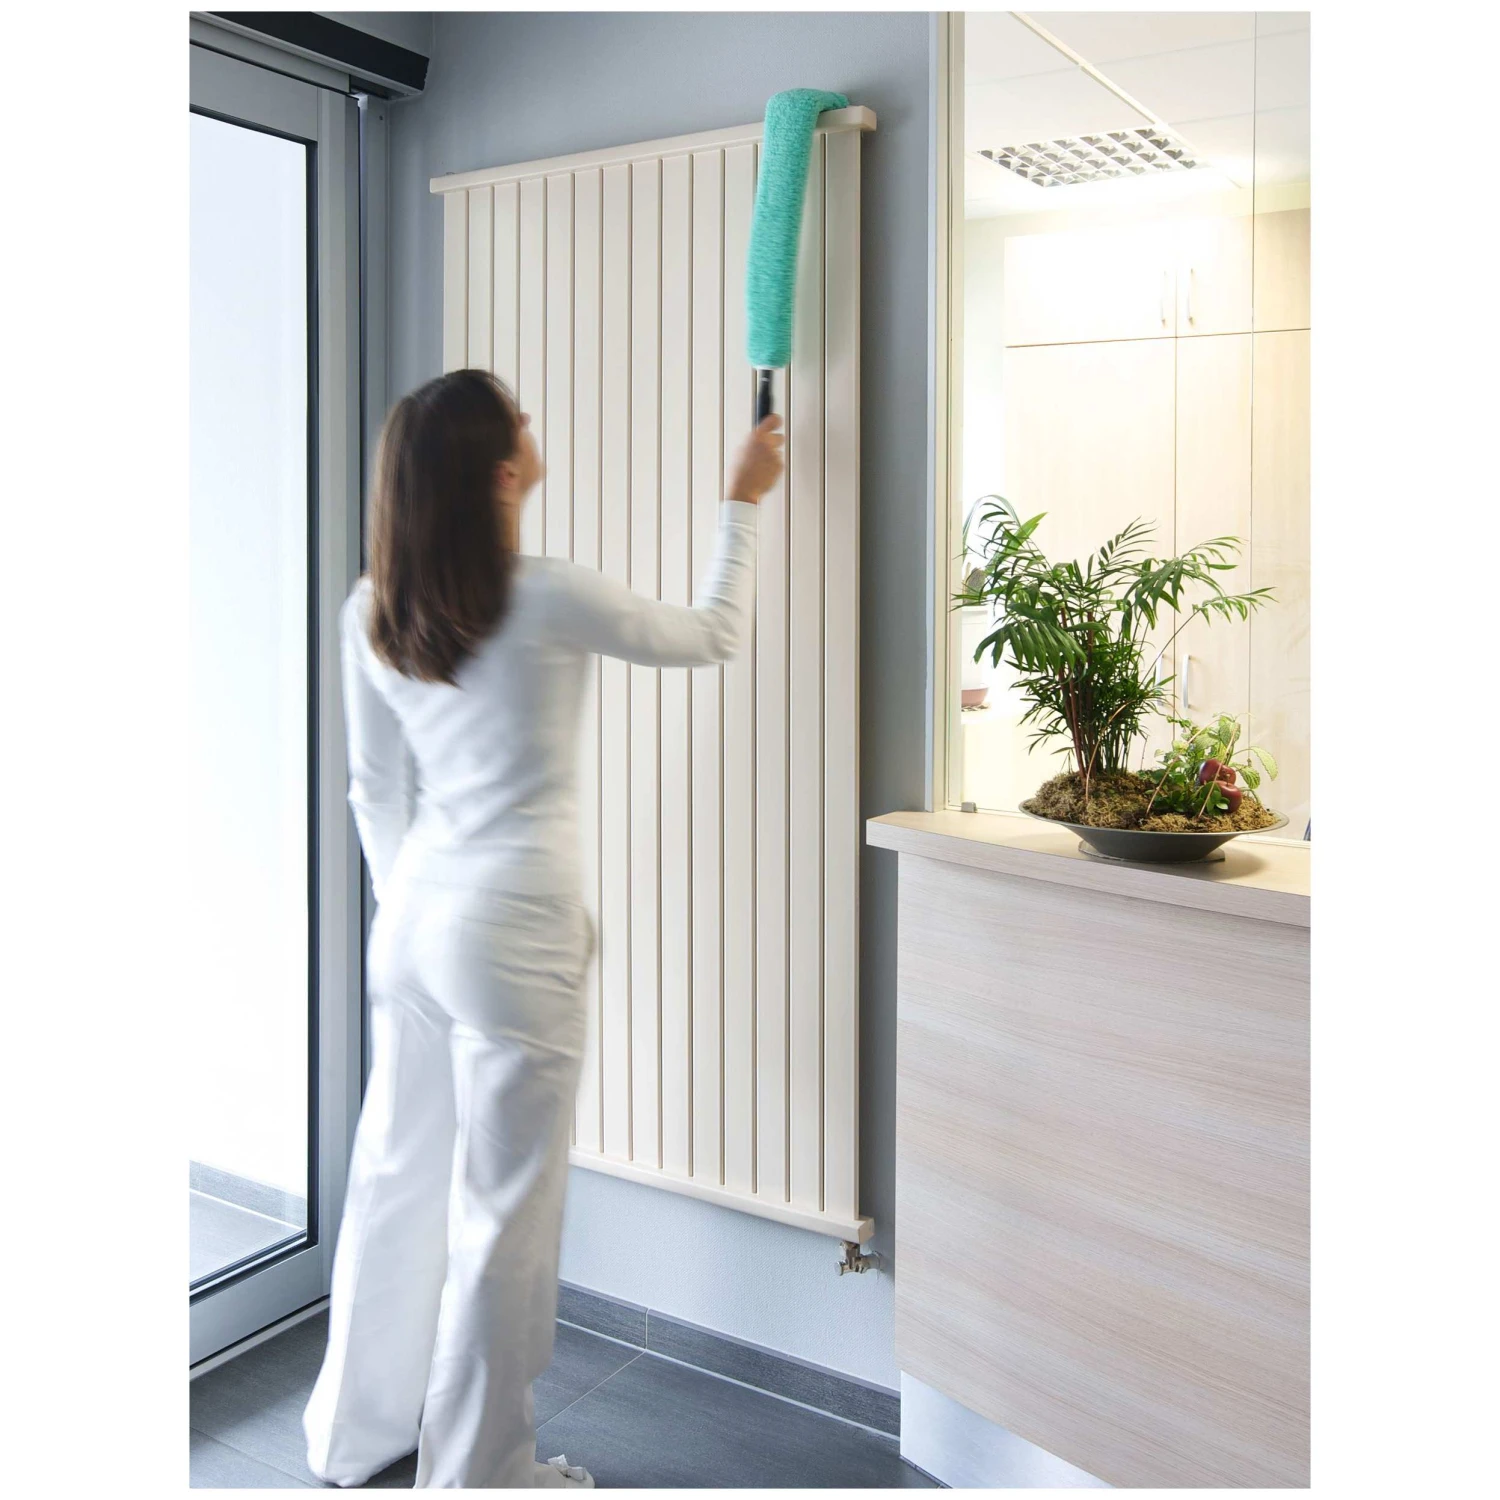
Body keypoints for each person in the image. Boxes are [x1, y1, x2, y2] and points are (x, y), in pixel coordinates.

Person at [302, 368, 783, 1488]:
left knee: (393, 1180)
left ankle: (353, 1436)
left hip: (410, 926)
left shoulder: (370, 609)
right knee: (501, 1216)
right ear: (499, 472)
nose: (532, 422)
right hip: (513, 935)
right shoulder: (550, 595)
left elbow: (373, 793)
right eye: (518, 415)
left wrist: (419, 912)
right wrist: (742, 500)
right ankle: (481, 1475)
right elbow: (710, 635)